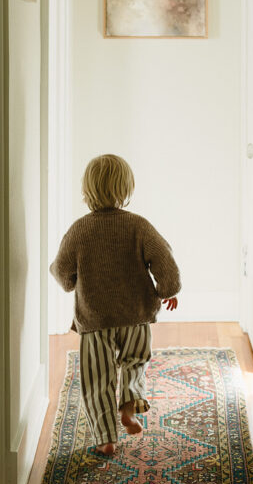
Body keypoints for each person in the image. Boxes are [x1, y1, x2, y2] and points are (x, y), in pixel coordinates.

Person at [49, 154, 181, 456]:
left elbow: (61, 269)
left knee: (98, 378)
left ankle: (107, 438)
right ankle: (129, 409)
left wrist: (69, 282)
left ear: (87, 191)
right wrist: (167, 290)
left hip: (95, 319)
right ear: (127, 189)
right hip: (136, 315)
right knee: (134, 363)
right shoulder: (139, 226)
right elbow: (165, 260)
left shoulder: (79, 230)